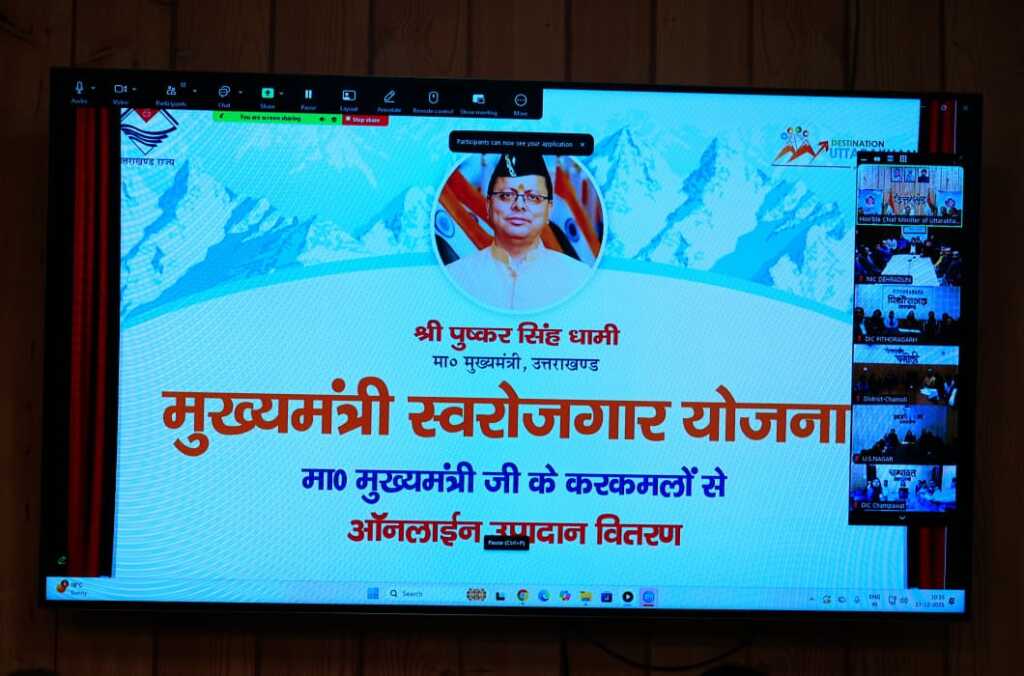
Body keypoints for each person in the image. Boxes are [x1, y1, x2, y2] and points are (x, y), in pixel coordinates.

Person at [445, 153, 591, 311]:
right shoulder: (454, 276)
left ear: (549, 210)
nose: (519, 205)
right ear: (488, 205)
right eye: (506, 195)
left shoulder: (579, 278)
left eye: (533, 197)